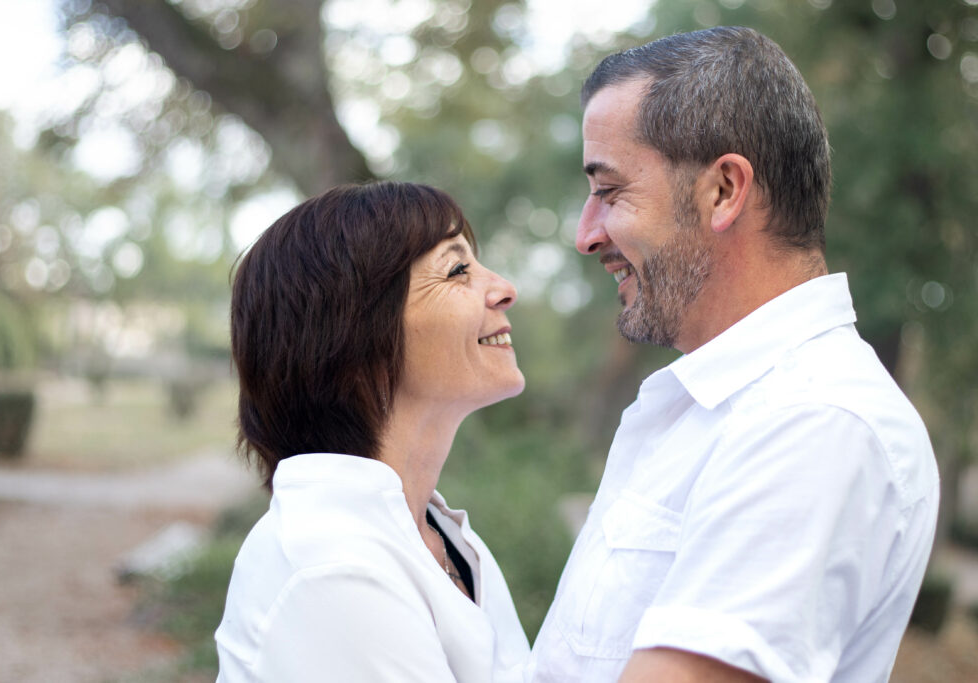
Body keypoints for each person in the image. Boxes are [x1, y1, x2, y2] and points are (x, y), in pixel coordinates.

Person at [527, 26, 939, 683]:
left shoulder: (813, 419)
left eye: (609, 192)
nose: (586, 234)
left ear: (723, 190)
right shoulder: (713, 409)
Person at [215, 181, 530, 681]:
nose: (505, 288)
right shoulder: (334, 568)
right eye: (458, 270)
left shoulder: (436, 535)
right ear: (357, 336)